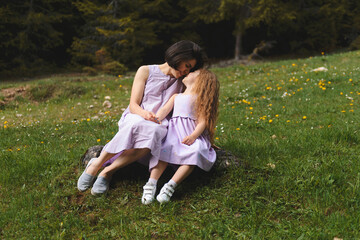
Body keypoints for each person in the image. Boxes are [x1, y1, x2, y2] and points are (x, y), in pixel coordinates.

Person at [77, 40, 206, 195]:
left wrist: (204, 135)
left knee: (153, 132)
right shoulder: (145, 71)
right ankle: (96, 164)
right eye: (187, 66)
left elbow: (196, 107)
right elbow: (133, 105)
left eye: (190, 69)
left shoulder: (183, 82)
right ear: (177, 56)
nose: (186, 72)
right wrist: (145, 114)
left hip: (160, 122)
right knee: (137, 125)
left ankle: (107, 172)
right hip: (137, 114)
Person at [141, 68, 220, 204]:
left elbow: (202, 122)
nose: (188, 73)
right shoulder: (176, 96)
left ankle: (170, 186)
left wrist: (194, 136)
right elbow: (163, 111)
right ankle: (151, 184)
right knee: (163, 152)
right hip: (174, 134)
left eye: (192, 73)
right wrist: (154, 118)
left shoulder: (200, 99)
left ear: (201, 80)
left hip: (190, 135)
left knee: (195, 152)